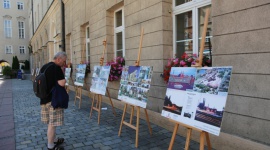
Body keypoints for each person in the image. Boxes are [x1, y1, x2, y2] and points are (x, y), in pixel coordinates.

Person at [40, 52, 67, 150]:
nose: (64, 63)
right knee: (52, 124)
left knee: (50, 123)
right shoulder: (56, 68)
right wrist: (65, 78)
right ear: (59, 59)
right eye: (64, 61)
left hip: (44, 99)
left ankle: (54, 139)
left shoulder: (44, 67)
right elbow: (62, 83)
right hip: (53, 100)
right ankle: (51, 146)